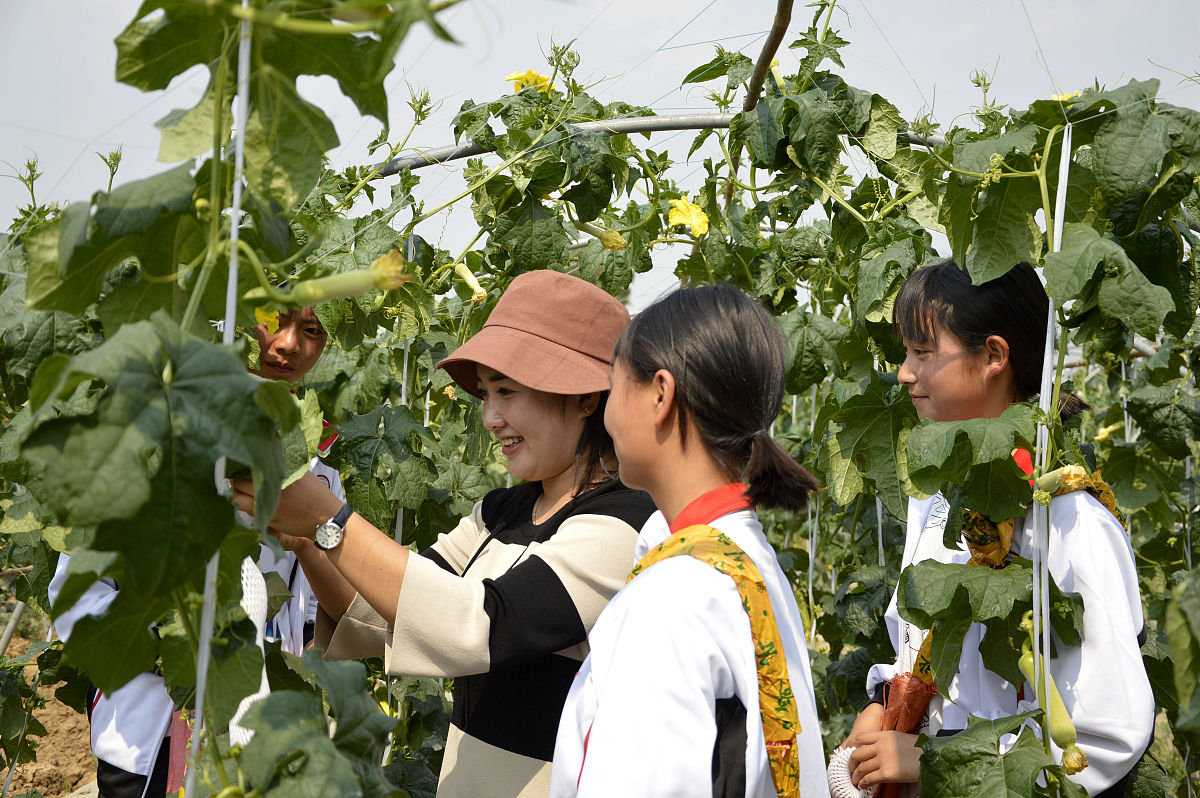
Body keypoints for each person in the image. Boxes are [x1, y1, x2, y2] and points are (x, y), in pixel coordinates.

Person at [231, 270, 657, 798]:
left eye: (506, 392)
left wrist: (330, 520)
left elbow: (478, 627)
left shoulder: (627, 523)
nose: (490, 417)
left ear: (584, 399)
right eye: (485, 394)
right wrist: (304, 538)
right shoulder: (501, 511)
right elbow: (383, 609)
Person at [840, 260, 1154, 796]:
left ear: (993, 356)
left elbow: (1104, 739)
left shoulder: (1070, 521)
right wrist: (880, 705)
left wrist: (938, 759)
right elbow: (919, 645)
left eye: (922, 352)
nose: (904, 373)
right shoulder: (943, 496)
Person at [48, 306, 343, 798]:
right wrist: (168, 645)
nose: (289, 344)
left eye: (311, 331)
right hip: (149, 740)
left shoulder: (316, 470)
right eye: (275, 318)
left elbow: (312, 612)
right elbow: (76, 594)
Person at [550, 284, 831, 798]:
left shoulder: (670, 599)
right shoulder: (741, 557)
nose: (605, 416)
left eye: (612, 389)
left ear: (660, 394)